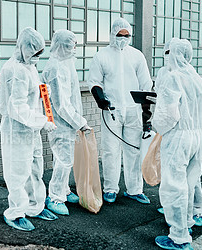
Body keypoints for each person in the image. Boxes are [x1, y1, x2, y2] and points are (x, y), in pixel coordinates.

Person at [0, 27, 59, 231]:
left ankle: (35, 206)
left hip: (31, 129)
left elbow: (30, 92)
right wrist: (42, 121)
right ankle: (15, 213)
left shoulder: (28, 66)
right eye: (35, 53)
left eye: (40, 53)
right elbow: (17, 108)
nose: (38, 58)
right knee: (18, 171)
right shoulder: (14, 70)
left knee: (35, 168)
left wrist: (42, 90)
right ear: (25, 48)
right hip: (16, 129)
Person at [87, 17, 153, 204]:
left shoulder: (137, 56)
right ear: (112, 34)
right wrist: (100, 98)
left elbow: (146, 84)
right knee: (110, 151)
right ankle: (110, 189)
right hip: (112, 111)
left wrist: (146, 114)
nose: (123, 38)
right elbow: (94, 81)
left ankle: (134, 189)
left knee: (133, 150)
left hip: (133, 111)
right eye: (119, 35)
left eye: (126, 35)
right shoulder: (102, 56)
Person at [151, 38, 202, 250]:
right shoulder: (196, 77)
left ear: (173, 54)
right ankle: (187, 224)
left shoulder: (173, 78)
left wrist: (157, 128)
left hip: (179, 137)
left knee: (174, 186)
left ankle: (179, 237)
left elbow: (168, 114)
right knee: (189, 183)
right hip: (198, 135)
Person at [41, 30, 91, 215]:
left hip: (67, 122)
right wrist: (80, 122)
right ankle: (54, 197)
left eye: (75, 45)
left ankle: (64, 190)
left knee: (64, 159)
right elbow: (61, 104)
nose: (74, 49)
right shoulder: (54, 68)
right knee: (63, 160)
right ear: (61, 46)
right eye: (71, 45)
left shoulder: (65, 63)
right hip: (60, 123)